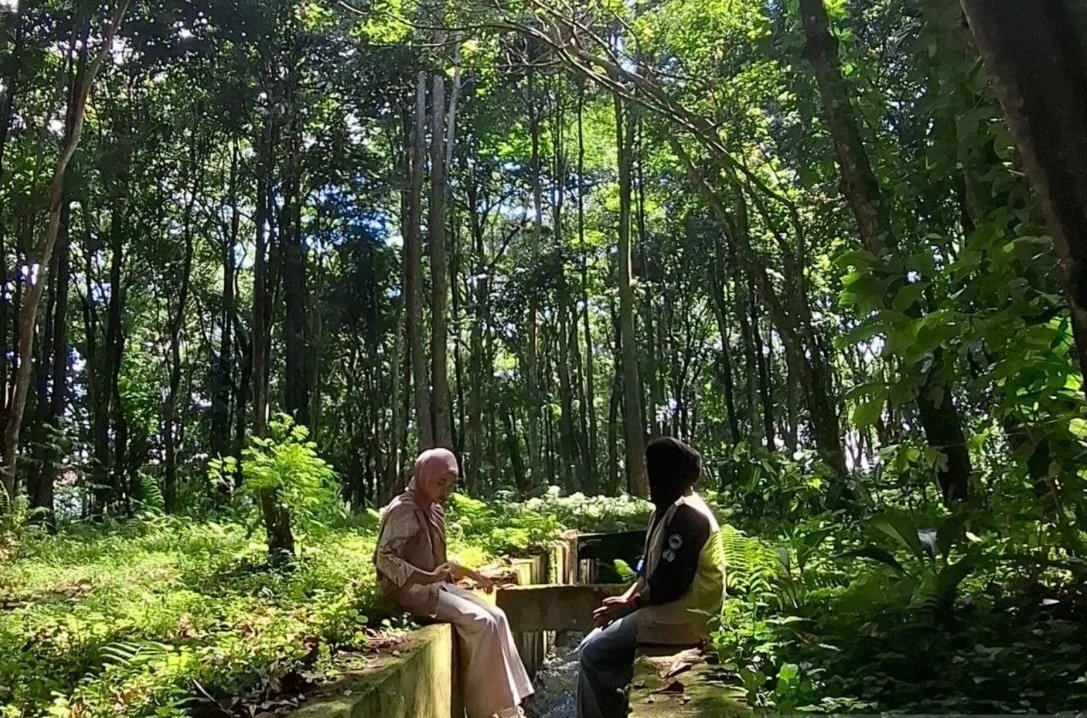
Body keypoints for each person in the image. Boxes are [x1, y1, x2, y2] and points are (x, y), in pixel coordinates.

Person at [374, 447, 533, 718]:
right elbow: (384, 559)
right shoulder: (404, 510)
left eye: (450, 484)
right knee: (480, 623)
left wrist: (474, 575)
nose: (445, 490)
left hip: (437, 587)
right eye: (440, 482)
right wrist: (427, 577)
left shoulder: (434, 510)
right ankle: (485, 710)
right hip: (413, 594)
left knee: (497, 615)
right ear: (424, 476)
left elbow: (441, 564)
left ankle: (509, 705)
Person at [577, 437, 726, 718]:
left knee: (593, 653)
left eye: (648, 469)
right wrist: (625, 597)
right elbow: (647, 570)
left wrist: (629, 605)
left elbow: (672, 583)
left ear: (664, 472)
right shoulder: (666, 510)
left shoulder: (689, 516)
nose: (644, 477)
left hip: (685, 615)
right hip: (665, 607)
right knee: (590, 643)